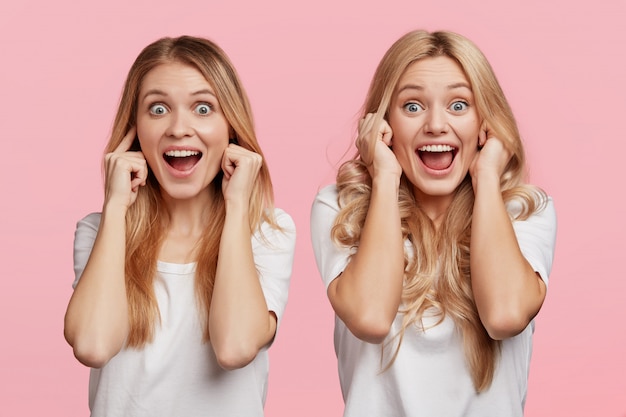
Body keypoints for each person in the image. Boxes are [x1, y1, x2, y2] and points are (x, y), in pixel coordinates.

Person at [310, 30, 557, 416]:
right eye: (412, 107)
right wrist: (386, 177)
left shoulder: (524, 211)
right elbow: (371, 318)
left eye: (459, 105)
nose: (436, 125)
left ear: (485, 124)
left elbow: (506, 316)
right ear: (383, 124)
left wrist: (488, 177)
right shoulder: (343, 209)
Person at [64, 36, 296, 417]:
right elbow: (92, 345)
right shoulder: (100, 230)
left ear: (231, 129)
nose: (178, 128)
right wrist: (116, 205)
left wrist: (237, 207)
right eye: (157, 109)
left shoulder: (267, 232)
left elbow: (235, 347)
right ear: (134, 130)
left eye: (203, 108)